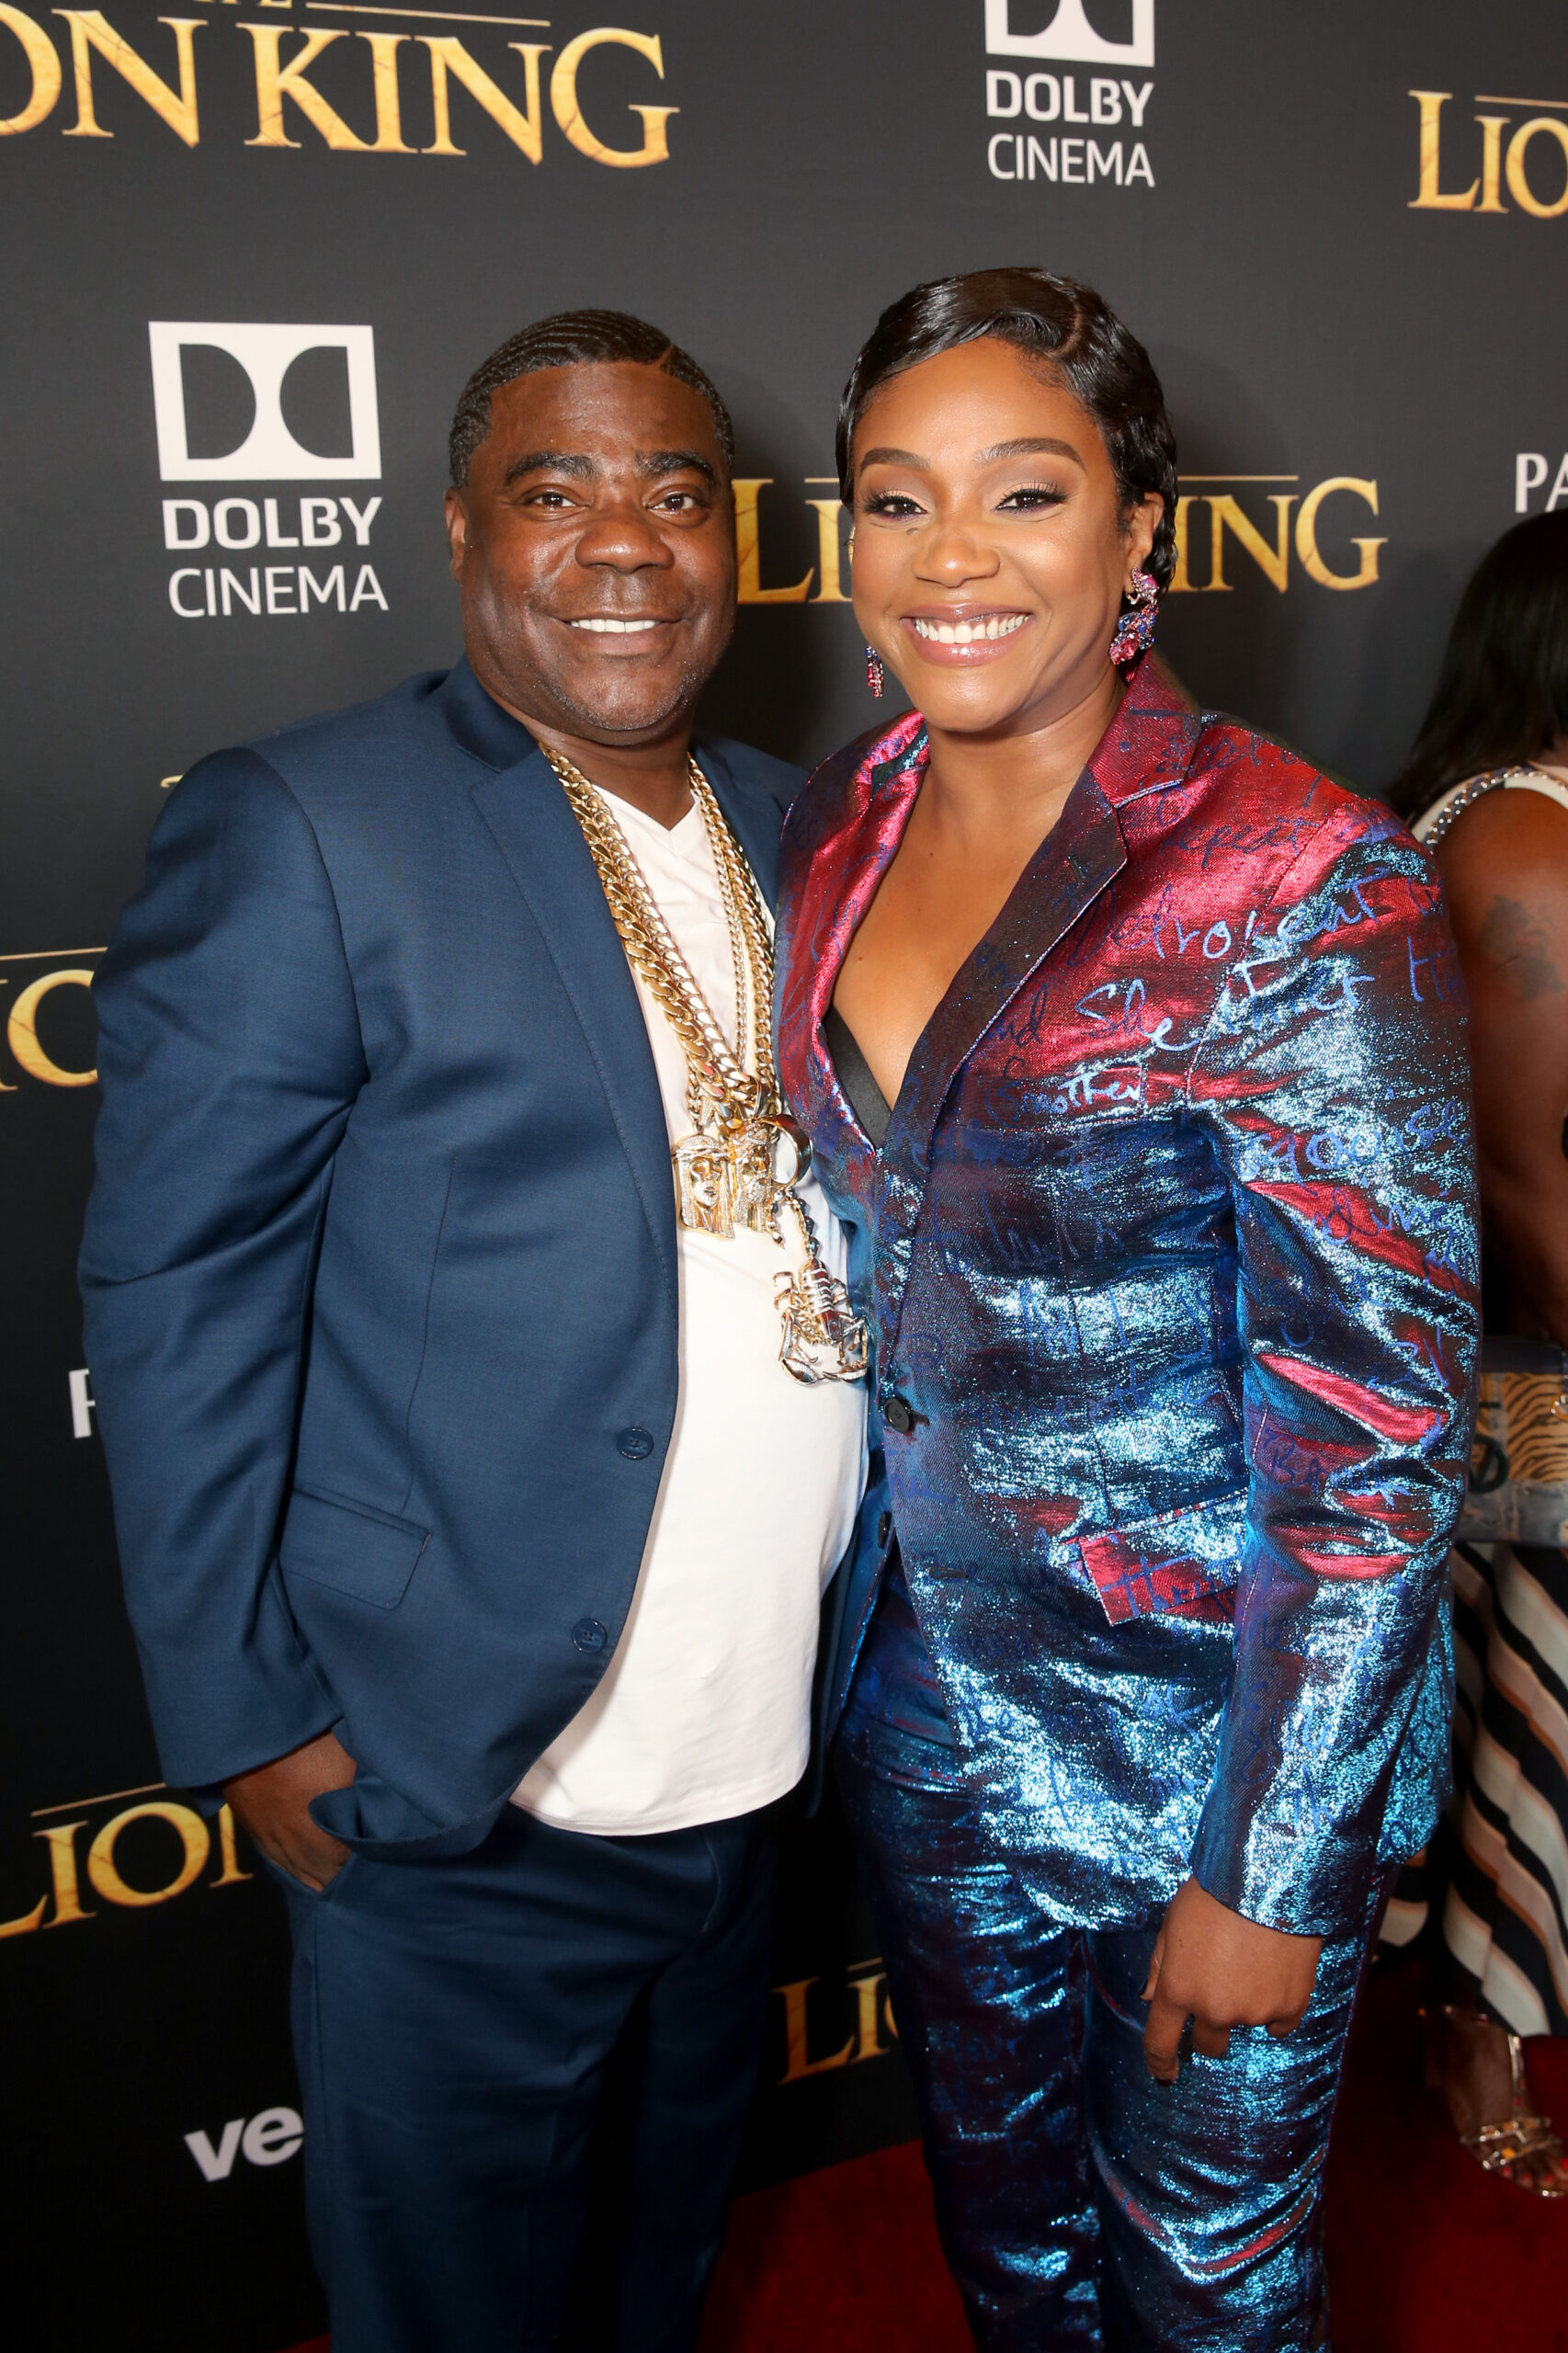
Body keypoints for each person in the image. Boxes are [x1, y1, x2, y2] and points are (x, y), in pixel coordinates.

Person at [80, 309, 869, 2353]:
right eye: (556, 486)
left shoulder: (810, 824)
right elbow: (176, 1292)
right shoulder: (311, 821)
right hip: (463, 1786)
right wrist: (256, 1718)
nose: (623, 541)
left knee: (658, 2268)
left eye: (675, 491)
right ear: (459, 530)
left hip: (751, 1761)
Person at [775, 267, 1479, 2348]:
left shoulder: (1299, 878)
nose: (955, 555)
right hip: (919, 1710)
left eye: (1025, 491)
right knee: (1002, 2242)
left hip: (1209, 1741)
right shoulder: (840, 814)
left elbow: (1373, 1442)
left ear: (1134, 532)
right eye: (895, 500)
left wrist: (1269, 1867)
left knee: (1206, 2287)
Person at [1387, 511, 1568, 2194]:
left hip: (1521, 1357)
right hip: (1530, 1370)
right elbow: (1525, 1180)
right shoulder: (1515, 831)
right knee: (1528, 1708)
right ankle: (1475, 2032)